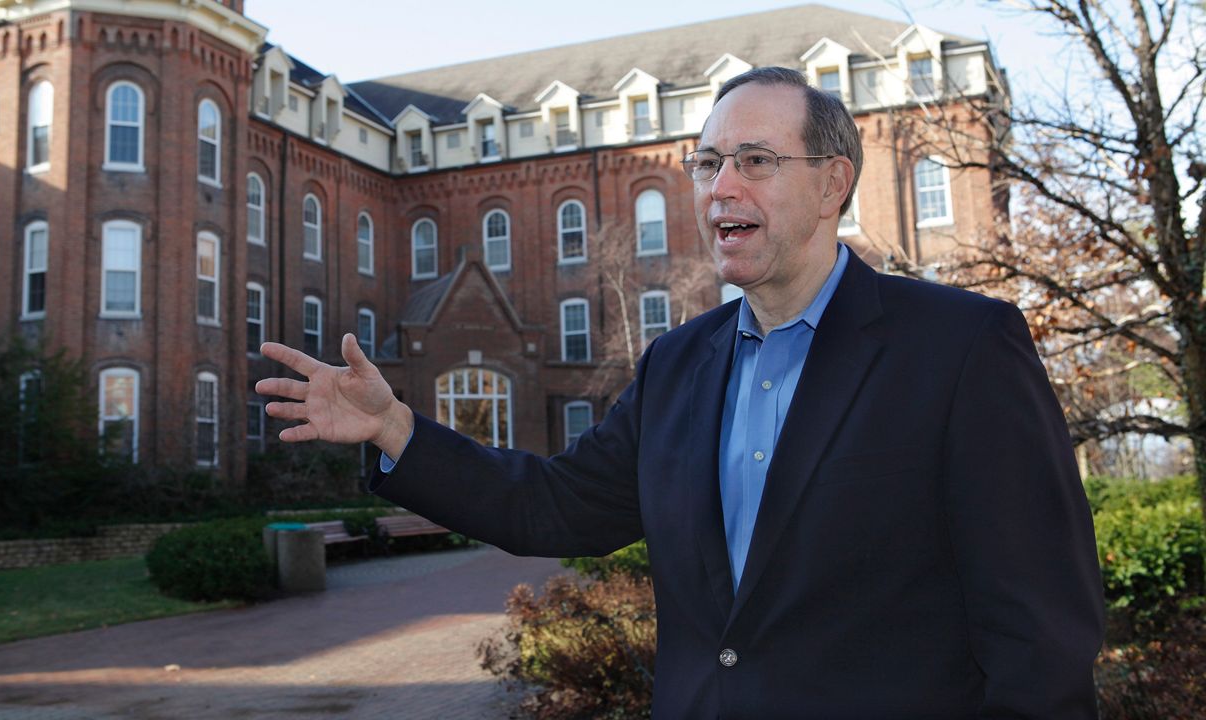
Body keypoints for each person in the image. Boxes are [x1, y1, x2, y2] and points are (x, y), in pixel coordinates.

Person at [257, 67, 1105, 719]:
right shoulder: (679, 365)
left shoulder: (959, 346)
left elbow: (1040, 632)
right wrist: (397, 427)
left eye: (756, 162)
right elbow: (554, 508)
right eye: (706, 163)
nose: (719, 187)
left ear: (832, 184)